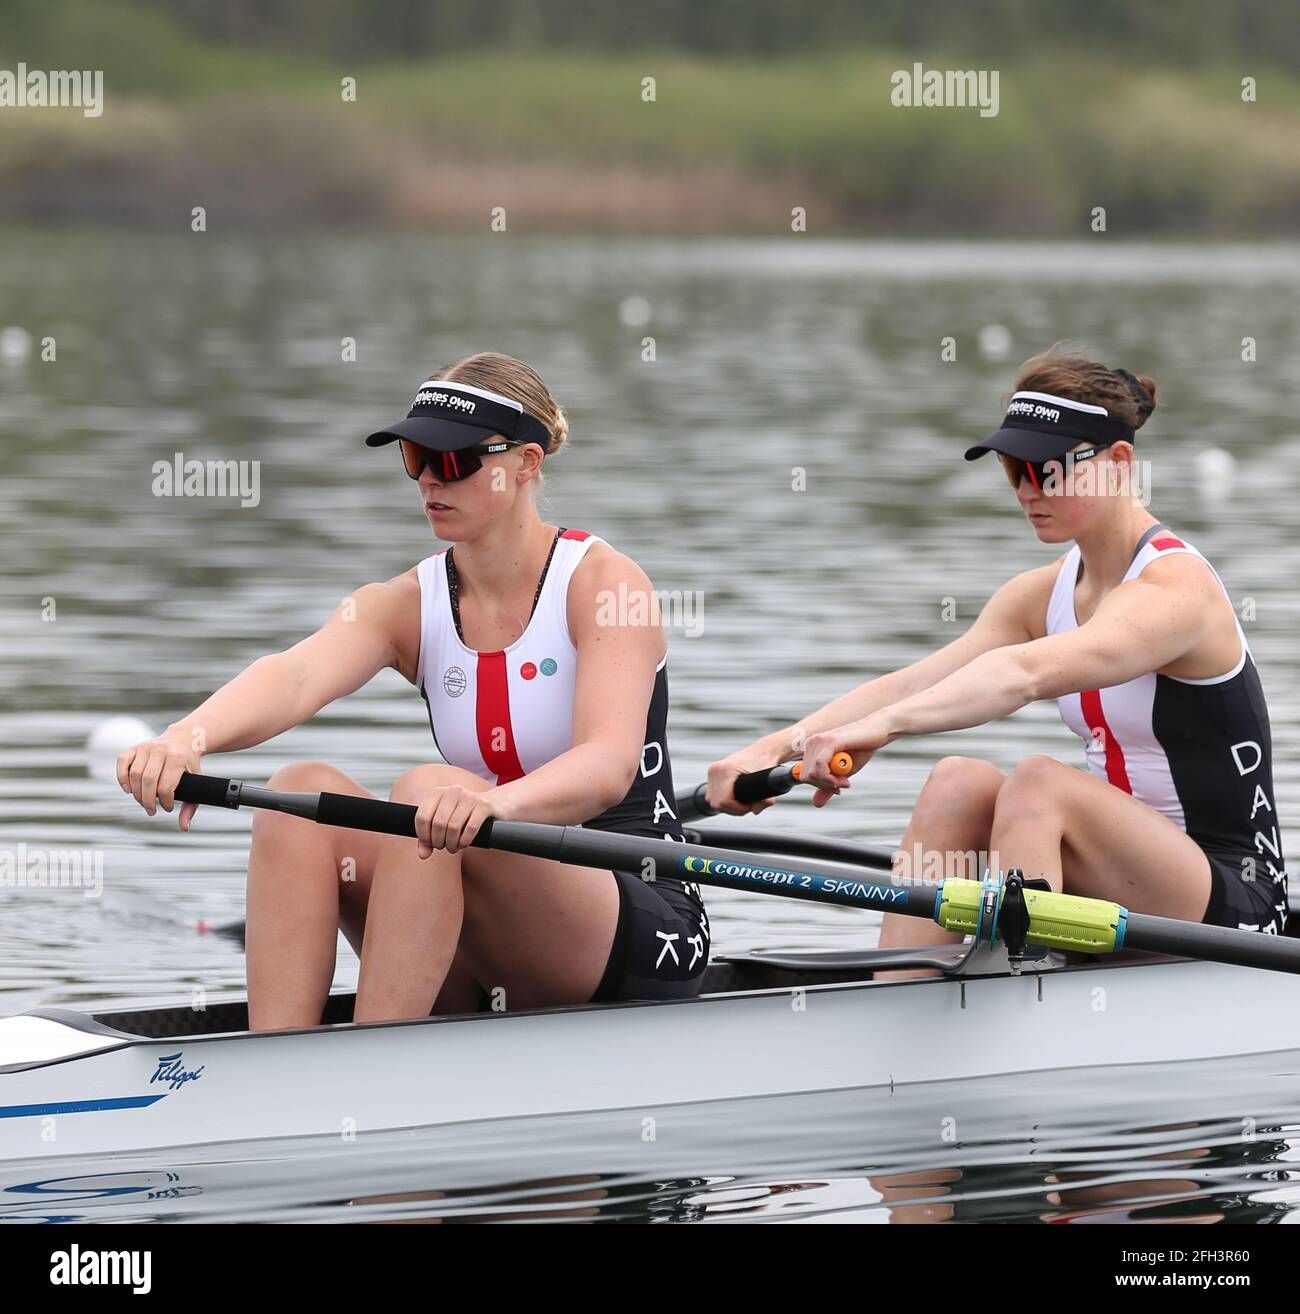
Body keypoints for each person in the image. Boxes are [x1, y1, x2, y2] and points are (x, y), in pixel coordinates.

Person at [119, 352, 708, 1026]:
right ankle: (279, 1063)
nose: (430, 479)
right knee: (297, 797)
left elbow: (607, 765)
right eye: (414, 458)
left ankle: (375, 1068)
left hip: (637, 917)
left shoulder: (604, 584)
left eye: (454, 460)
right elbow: (296, 673)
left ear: (526, 463)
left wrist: (490, 805)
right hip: (477, 901)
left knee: (430, 791)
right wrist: (184, 739)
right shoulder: (407, 602)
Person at [707, 346, 1286, 977]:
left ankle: (1008, 981)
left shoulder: (1177, 593)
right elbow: (917, 680)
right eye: (1015, 470)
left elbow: (1022, 675)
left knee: (1039, 782)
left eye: (1049, 470)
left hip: (1233, 906)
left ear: (1119, 463)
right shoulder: (1042, 594)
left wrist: (882, 730)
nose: (1028, 491)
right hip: (1126, 884)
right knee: (957, 779)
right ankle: (898, 990)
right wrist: (777, 748)